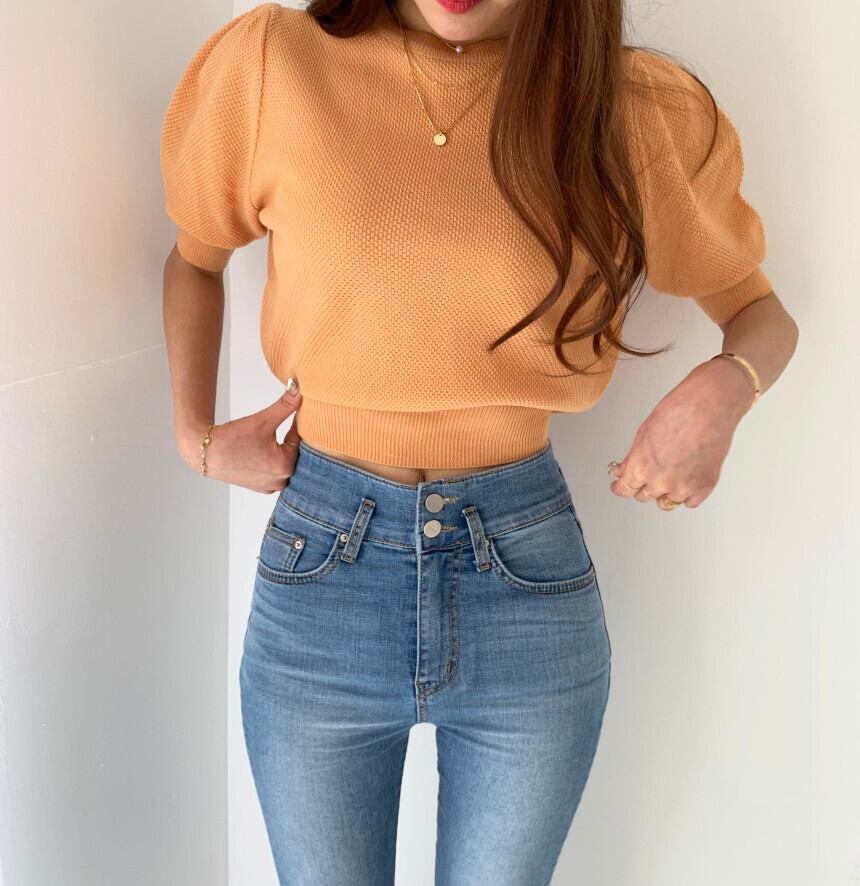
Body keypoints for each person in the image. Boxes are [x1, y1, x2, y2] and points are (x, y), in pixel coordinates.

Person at [159, 0, 798, 882]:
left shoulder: (628, 106)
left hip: (524, 578)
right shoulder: (276, 64)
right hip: (323, 575)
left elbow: (760, 313)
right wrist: (195, 436)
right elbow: (194, 260)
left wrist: (724, 391)